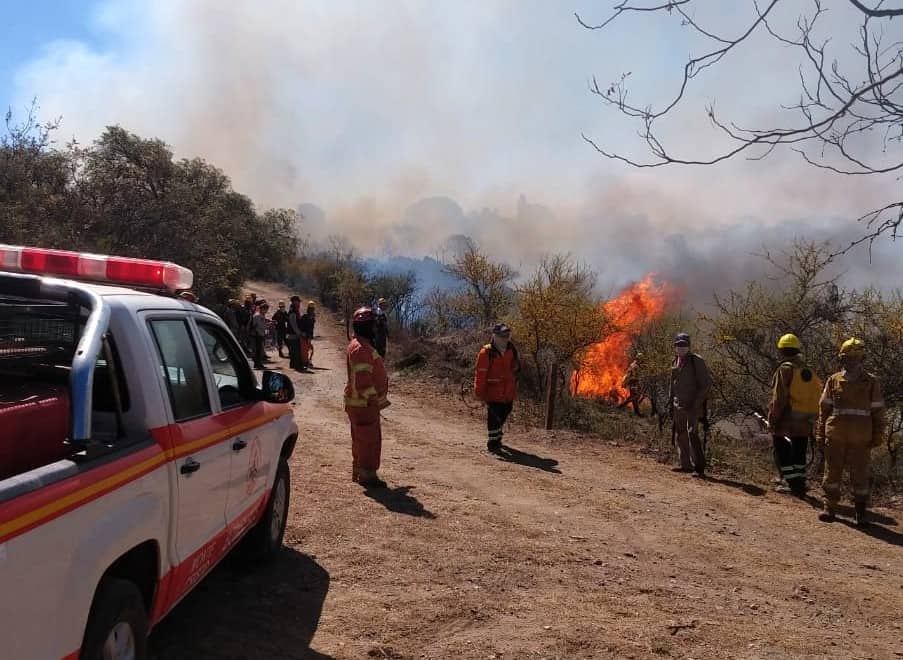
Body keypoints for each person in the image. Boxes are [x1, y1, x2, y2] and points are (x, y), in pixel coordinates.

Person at [816, 338, 887, 526]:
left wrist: (878, 434)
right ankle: (829, 508)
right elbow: (824, 410)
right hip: (836, 435)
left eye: (856, 357)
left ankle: (860, 512)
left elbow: (878, 411)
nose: (852, 361)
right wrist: (820, 433)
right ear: (842, 358)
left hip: (861, 438)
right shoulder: (834, 381)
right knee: (832, 473)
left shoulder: (871, 382)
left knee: (860, 474)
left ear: (862, 359)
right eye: (848, 357)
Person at [767, 334, 822, 496]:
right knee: (799, 451)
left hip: (787, 419)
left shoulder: (785, 369)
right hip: (805, 420)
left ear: (781, 350)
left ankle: (792, 484)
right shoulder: (808, 370)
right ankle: (800, 482)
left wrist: (773, 418)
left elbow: (780, 398)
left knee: (782, 450)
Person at [344, 307, 390, 488]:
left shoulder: (361, 344)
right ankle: (367, 476)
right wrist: (374, 400)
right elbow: (363, 381)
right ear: (366, 326)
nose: (375, 329)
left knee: (362, 438)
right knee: (368, 440)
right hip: (364, 404)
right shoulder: (361, 349)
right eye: (373, 325)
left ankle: (360, 471)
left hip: (362, 403)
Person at [669, 333, 712, 477]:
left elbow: (705, 385)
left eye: (684, 345)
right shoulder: (675, 360)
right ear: (675, 346)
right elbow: (673, 383)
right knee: (680, 434)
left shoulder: (696, 361)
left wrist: (696, 403)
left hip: (692, 405)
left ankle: (698, 468)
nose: (681, 348)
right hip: (678, 404)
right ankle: (685, 465)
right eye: (679, 345)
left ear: (689, 346)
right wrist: (671, 401)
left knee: (692, 434)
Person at [474, 323, 520, 453]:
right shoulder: (486, 352)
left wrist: (516, 369)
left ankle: (497, 438)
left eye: (507, 334)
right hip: (492, 391)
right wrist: (479, 391)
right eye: (503, 335)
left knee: (505, 412)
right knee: (494, 418)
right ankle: (493, 444)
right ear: (495, 336)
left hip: (508, 391)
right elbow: (480, 373)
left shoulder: (511, 349)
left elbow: (515, 367)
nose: (505, 337)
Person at [620, 352, 644, 417]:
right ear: (638, 359)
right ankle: (621, 406)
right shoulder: (634, 366)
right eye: (641, 359)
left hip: (635, 382)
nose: (642, 360)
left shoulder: (636, 365)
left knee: (634, 397)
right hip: (633, 382)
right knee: (634, 397)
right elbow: (630, 375)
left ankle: (636, 412)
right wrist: (625, 383)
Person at [251, 302, 269, 370]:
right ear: (262, 309)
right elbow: (260, 325)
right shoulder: (258, 316)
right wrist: (268, 325)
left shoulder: (261, 315)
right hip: (257, 335)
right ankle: (258, 364)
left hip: (259, 334)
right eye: (266, 309)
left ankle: (258, 364)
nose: (266, 311)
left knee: (259, 350)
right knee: (258, 350)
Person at [286, 296, 303, 371]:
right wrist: (299, 333)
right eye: (298, 301)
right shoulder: (293, 311)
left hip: (293, 334)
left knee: (293, 350)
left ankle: (293, 365)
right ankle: (298, 366)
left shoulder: (294, 310)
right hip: (293, 334)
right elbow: (293, 324)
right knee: (296, 351)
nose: (299, 303)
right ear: (294, 302)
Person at [299, 301, 317, 368]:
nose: (312, 310)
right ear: (308, 309)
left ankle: (308, 361)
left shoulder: (312, 317)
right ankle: (305, 362)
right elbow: (301, 326)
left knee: (310, 349)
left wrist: (310, 336)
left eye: (313, 309)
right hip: (304, 336)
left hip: (309, 336)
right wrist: (303, 333)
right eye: (310, 309)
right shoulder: (305, 316)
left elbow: (311, 327)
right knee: (305, 350)